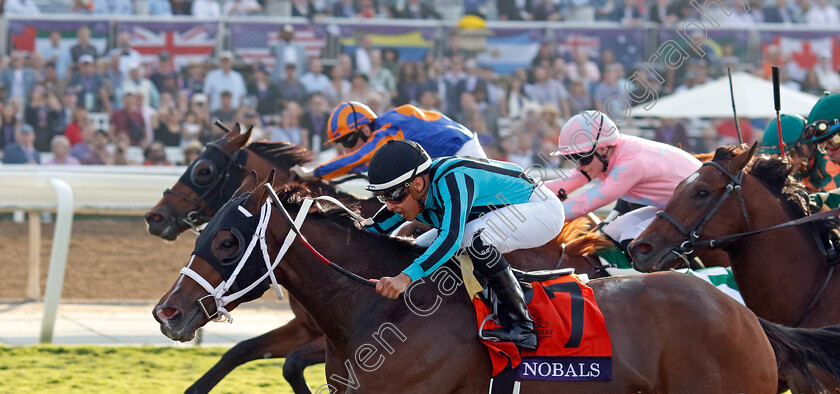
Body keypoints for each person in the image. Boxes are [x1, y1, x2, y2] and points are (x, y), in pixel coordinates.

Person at [364, 139, 565, 350]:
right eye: (382, 197)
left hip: (540, 208)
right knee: (418, 248)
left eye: (393, 195)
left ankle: (522, 326)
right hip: (500, 214)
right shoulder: (411, 195)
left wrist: (405, 279)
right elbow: (367, 231)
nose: (389, 205)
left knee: (471, 238)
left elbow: (450, 238)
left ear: (418, 184)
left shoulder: (452, 180)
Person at [545, 110, 701, 250]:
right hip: (676, 204)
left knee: (633, 239)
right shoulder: (604, 154)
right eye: (572, 158)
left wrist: (541, 217)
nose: (579, 166)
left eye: (581, 158)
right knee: (612, 232)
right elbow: (568, 182)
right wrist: (526, 190)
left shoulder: (631, 163)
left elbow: (585, 204)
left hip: (698, 205)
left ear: (602, 149)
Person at [290, 101, 486, 181]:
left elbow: (358, 158)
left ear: (365, 129)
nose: (346, 149)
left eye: (348, 141)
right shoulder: (387, 128)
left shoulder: (387, 130)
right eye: (342, 144)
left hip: (464, 158)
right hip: (455, 159)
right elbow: (362, 165)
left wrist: (314, 173)